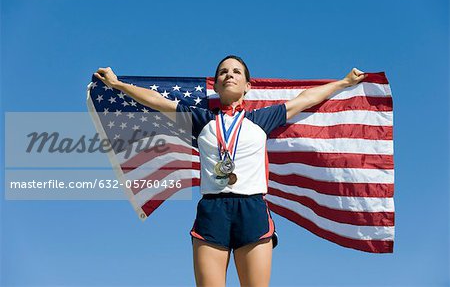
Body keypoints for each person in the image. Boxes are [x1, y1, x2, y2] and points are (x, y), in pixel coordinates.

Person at [94, 56, 366, 287]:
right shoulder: (201, 120)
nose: (229, 75)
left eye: (236, 71)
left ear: (248, 85)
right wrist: (117, 84)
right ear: (216, 84)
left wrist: (344, 82)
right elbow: (157, 101)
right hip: (212, 211)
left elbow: (304, 100)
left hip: (252, 209)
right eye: (223, 71)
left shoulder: (262, 120)